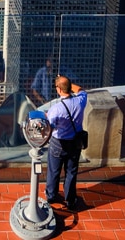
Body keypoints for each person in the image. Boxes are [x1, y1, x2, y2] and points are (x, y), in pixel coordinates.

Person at [44, 75, 88, 211]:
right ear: (69, 88)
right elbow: (81, 90)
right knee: (71, 172)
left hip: (59, 143)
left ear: (58, 89)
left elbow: (49, 126)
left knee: (54, 171)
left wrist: (46, 116)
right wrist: (68, 84)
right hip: (75, 142)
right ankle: (70, 199)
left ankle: (51, 196)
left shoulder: (56, 109)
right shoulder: (81, 100)